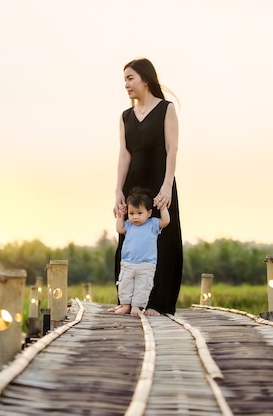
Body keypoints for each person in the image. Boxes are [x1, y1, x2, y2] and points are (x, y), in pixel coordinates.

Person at [113, 58, 183, 316]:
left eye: (130, 78)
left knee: (162, 238)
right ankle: (127, 301)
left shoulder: (166, 109)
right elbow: (124, 156)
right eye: (124, 80)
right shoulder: (125, 117)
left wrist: (166, 187)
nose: (126, 85)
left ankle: (157, 303)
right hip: (133, 186)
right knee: (129, 238)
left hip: (159, 183)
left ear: (145, 79)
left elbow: (172, 150)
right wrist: (118, 191)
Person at [109, 187, 170, 316]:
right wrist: (121, 215)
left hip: (146, 264)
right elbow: (119, 229)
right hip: (128, 262)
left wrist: (163, 208)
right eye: (131, 214)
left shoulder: (152, 224)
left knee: (142, 287)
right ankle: (125, 305)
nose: (135, 217)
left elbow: (166, 221)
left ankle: (137, 307)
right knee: (125, 285)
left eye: (139, 213)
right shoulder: (129, 225)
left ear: (149, 213)